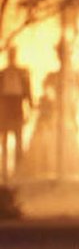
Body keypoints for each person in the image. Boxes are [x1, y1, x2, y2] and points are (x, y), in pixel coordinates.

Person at [0, 46, 33, 183]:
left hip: (16, 109)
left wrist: (30, 106)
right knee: (4, 142)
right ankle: (4, 173)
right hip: (5, 111)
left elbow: (28, 92)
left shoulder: (22, 73)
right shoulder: (2, 74)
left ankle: (18, 173)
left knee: (18, 143)